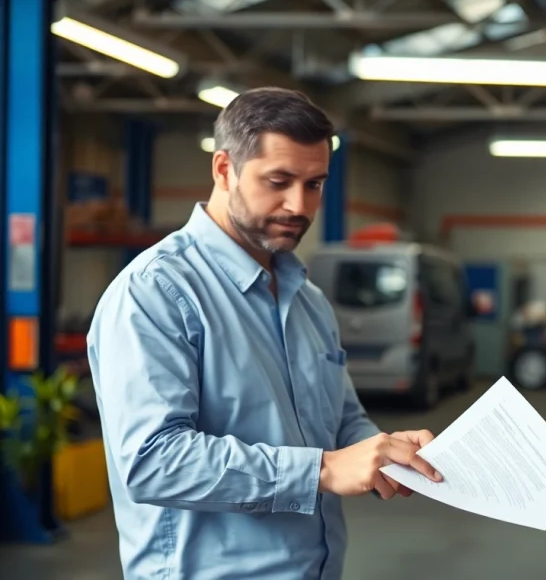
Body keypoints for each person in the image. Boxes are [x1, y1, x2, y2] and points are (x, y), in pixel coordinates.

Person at [87, 87, 442, 580]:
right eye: (279, 181)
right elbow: (151, 462)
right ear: (224, 170)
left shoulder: (309, 301)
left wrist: (386, 450)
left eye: (315, 184)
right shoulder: (155, 293)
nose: (299, 205)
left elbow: (341, 423)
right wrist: (322, 470)